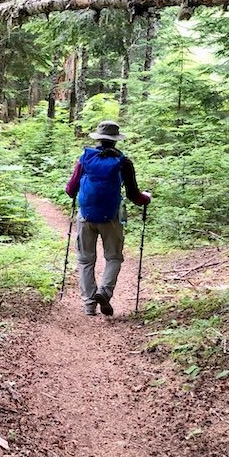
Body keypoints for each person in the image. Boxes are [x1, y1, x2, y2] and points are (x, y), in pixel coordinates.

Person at [65, 120, 151, 316]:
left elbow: (70, 190)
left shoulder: (84, 158)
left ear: (99, 139)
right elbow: (134, 196)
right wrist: (147, 198)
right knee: (113, 257)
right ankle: (104, 291)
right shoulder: (124, 162)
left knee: (86, 260)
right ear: (115, 141)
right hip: (111, 216)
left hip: (86, 215)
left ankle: (89, 305)